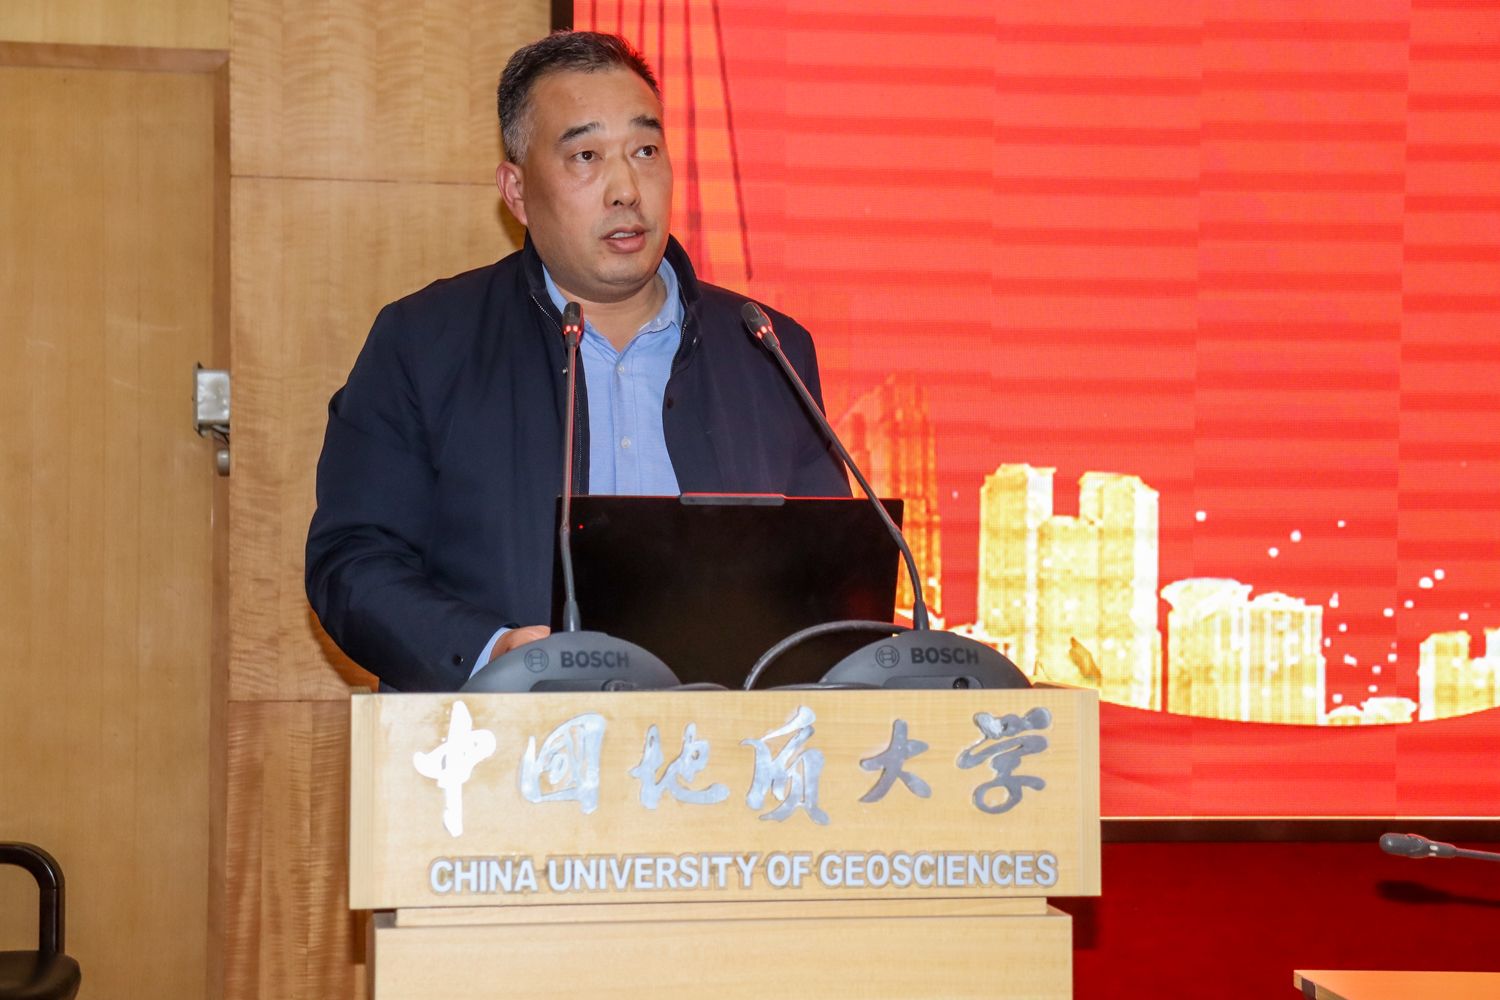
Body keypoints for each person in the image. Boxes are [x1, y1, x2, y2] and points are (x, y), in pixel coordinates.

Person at [305, 31, 849, 692]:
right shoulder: (424, 344)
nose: (626, 189)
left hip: (721, 743)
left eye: (645, 151)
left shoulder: (767, 348)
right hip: (501, 738)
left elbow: (829, 583)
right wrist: (494, 653)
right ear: (516, 190)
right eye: (586, 156)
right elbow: (353, 562)